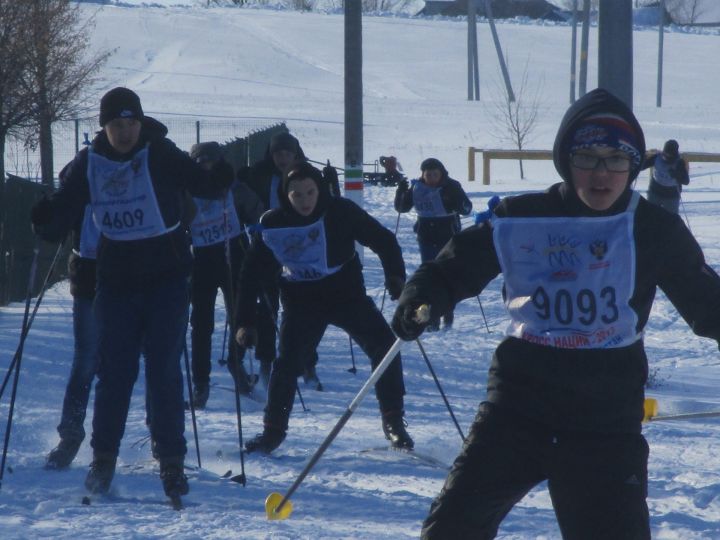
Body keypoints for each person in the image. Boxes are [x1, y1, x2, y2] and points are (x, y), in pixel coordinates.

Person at [392, 88, 720, 539]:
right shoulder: (522, 217)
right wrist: (421, 299)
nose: (602, 174)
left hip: (604, 421)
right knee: (451, 530)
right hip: (518, 406)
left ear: (632, 165)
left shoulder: (654, 230)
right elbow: (453, 267)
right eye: (588, 157)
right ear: (567, 160)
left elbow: (708, 304)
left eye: (616, 159)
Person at [30, 87, 233, 501]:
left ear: (140, 123)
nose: (124, 132)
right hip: (117, 281)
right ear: (104, 127)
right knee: (115, 373)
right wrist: (46, 220)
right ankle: (103, 459)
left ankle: (172, 465)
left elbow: (202, 184)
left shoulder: (159, 152)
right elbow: (65, 207)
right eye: (116, 125)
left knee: (163, 370)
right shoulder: (90, 162)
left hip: (168, 278)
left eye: (131, 123)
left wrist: (220, 176)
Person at [236, 161, 413, 454]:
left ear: (319, 190)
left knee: (385, 348)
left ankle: (393, 422)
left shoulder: (340, 211)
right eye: (297, 195)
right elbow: (250, 274)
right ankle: (273, 431)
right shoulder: (273, 224)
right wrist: (245, 321)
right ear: (285, 196)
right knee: (287, 364)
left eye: (310, 192)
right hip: (301, 302)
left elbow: (384, 240)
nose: (305, 200)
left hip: (346, 295)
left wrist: (395, 277)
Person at [236, 131, 338, 390]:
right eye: (277, 153)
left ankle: (307, 364)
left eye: (287, 153)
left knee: (303, 312)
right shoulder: (259, 174)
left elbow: (328, 206)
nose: (282, 158)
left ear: (295, 154)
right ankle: (266, 364)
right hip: (268, 248)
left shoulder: (307, 175)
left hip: (301, 251)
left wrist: (331, 185)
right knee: (267, 309)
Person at [186, 141, 264, 408]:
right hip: (203, 259)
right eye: (200, 162)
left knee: (241, 316)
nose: (206, 166)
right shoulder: (188, 189)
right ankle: (201, 383)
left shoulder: (233, 186)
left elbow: (258, 211)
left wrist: (260, 227)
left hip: (234, 253)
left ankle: (236, 361)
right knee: (201, 323)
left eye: (211, 161)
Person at [43, 200, 101, 470]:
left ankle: (158, 437)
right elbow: (64, 200)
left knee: (131, 360)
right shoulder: (83, 170)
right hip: (88, 274)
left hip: (131, 277)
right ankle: (70, 435)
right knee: (86, 358)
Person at [394, 157, 472, 330]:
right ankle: (432, 317)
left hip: (449, 237)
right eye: (428, 174)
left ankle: (448, 312)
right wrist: (400, 192)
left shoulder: (451, 186)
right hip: (426, 237)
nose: (431, 178)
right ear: (423, 175)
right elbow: (401, 208)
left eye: (435, 174)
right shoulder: (417, 188)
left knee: (449, 275)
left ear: (441, 173)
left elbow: (467, 209)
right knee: (429, 278)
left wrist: (455, 199)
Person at [643, 138, 689, 214]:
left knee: (671, 220)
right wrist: (643, 158)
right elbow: (642, 166)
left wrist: (676, 174)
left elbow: (686, 181)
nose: (667, 157)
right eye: (666, 154)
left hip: (671, 196)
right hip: (655, 192)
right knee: (649, 216)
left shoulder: (679, 162)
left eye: (670, 155)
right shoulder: (657, 157)